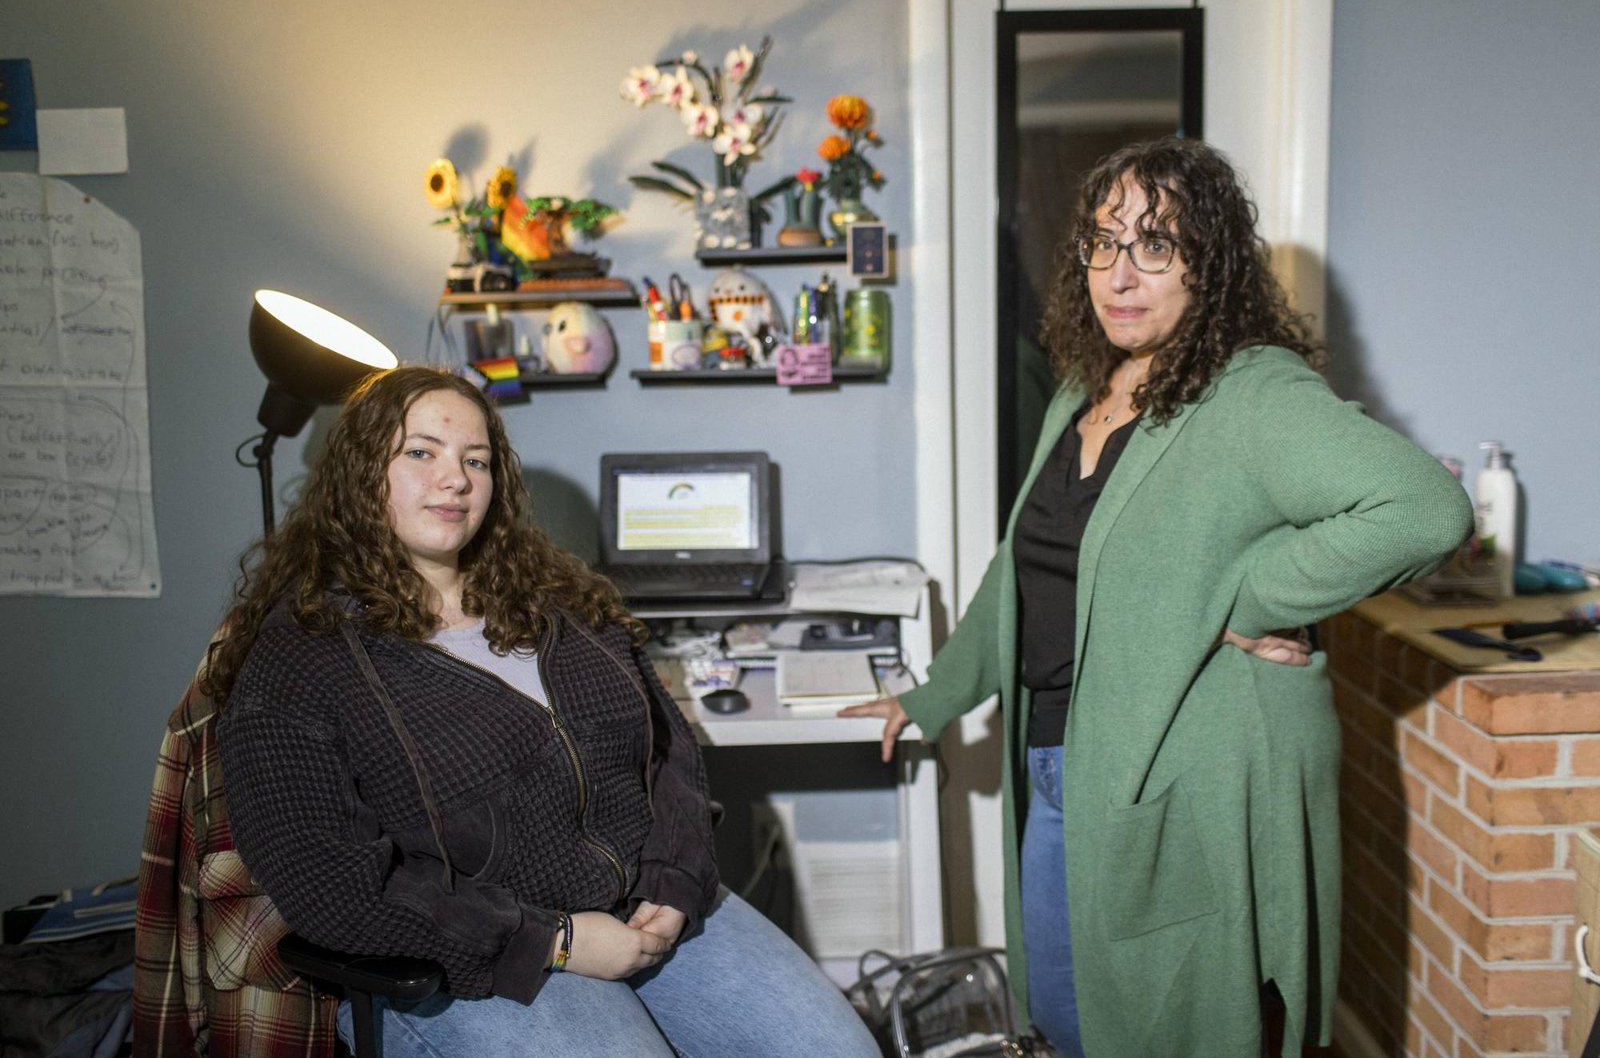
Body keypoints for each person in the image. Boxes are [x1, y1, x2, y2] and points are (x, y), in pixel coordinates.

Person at [844, 137, 1472, 1057]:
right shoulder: (1082, 389)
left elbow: (1423, 509)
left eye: (1156, 245)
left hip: (1177, 768)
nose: (1120, 274)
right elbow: (1023, 567)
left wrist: (1248, 596)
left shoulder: (1251, 393)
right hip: (1059, 758)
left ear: (1208, 265)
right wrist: (933, 694)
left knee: (1166, 1030)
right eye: (1104, 243)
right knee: (1064, 1017)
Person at [205, 366, 879, 1058]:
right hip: (475, 953)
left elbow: (667, 756)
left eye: (476, 460)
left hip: (642, 904)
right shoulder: (303, 656)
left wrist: (675, 880)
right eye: (421, 452)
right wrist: (556, 939)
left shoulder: (560, 601)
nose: (455, 479)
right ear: (359, 471)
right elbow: (331, 884)